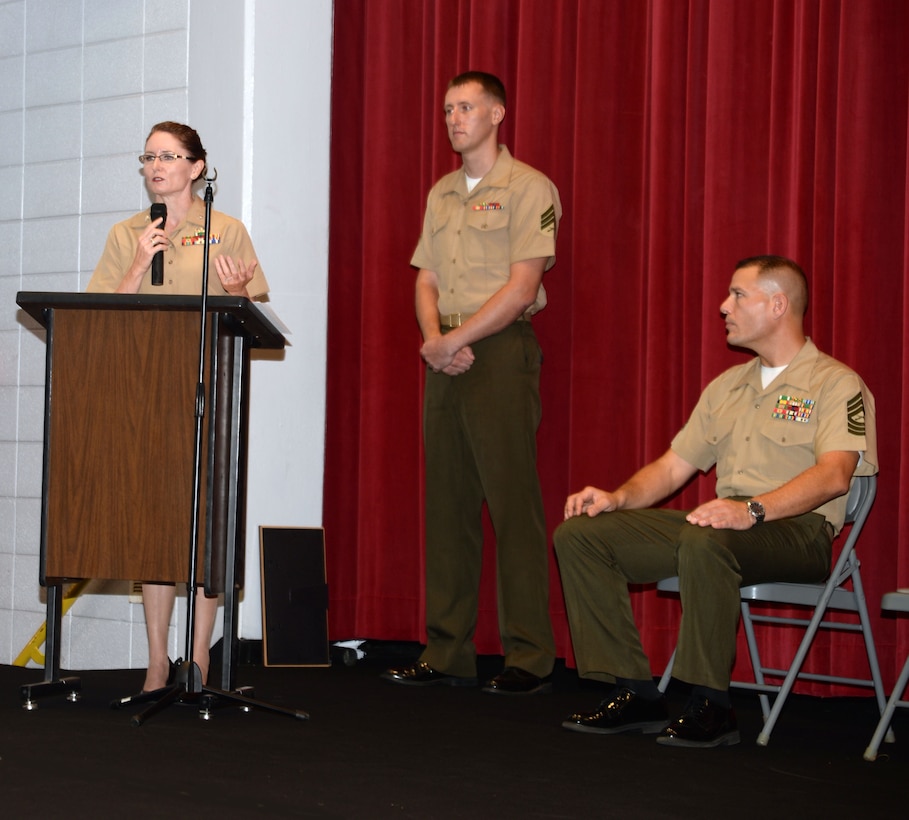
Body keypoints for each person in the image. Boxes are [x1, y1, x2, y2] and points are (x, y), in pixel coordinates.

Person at [554, 255, 877, 747]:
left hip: (796, 531)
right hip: (720, 524)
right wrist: (617, 497)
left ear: (777, 305)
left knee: (708, 540)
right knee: (581, 534)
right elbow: (671, 468)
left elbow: (834, 476)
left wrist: (751, 510)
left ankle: (712, 703)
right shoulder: (728, 387)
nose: (723, 306)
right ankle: (636, 691)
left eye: (737, 295)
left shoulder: (835, 384)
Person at [382, 72, 562, 694]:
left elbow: (521, 287)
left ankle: (530, 656)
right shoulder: (442, 193)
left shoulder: (528, 187)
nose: (455, 118)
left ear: (497, 113)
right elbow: (425, 277)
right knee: (448, 505)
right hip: (445, 354)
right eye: (448, 109)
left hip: (499, 352)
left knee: (513, 504)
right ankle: (447, 648)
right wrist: (435, 341)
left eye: (466, 107)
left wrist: (454, 343)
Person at [87, 121, 269, 692]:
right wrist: (138, 265)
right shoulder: (127, 234)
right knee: (157, 525)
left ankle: (200, 657)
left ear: (196, 167)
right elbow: (100, 317)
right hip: (148, 393)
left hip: (209, 384)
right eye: (149, 156)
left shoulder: (227, 229)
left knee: (206, 520)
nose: (156, 165)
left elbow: (252, 312)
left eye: (169, 156)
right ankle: (157, 661)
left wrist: (238, 294)